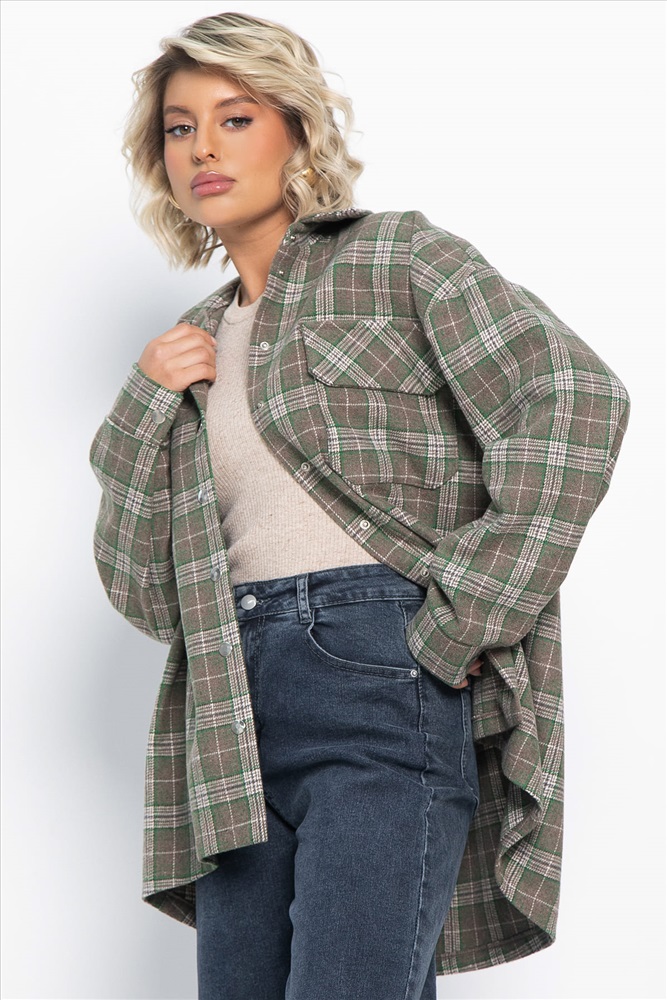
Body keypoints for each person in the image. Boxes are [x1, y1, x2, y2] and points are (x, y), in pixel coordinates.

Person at [89, 11, 631, 1000]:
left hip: (377, 673)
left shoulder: (394, 258)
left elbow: (575, 400)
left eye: (235, 118)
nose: (203, 147)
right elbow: (147, 595)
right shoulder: (189, 348)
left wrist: (463, 615)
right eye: (179, 127)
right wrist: (142, 403)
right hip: (226, 709)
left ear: (297, 130)